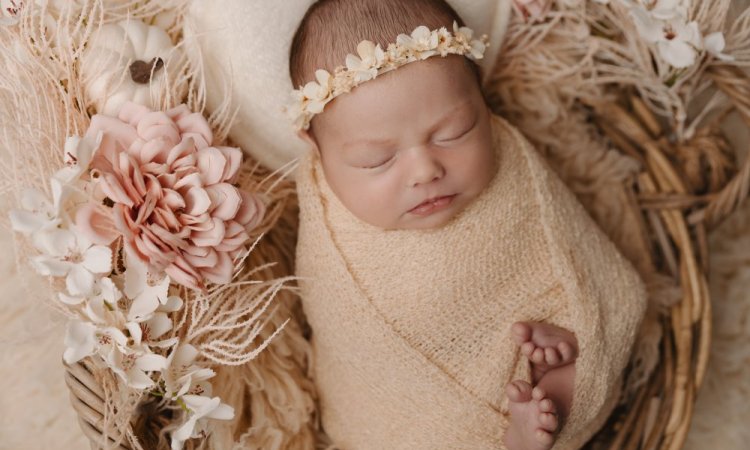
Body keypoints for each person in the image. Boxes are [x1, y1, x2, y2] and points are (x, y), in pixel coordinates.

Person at [288, 1, 647, 449]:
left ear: (483, 98)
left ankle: (551, 388)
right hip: (404, 420)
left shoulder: (510, 169)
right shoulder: (330, 230)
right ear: (316, 146)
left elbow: (597, 277)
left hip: (533, 367)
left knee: (590, 340)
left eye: (454, 132)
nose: (424, 170)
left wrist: (574, 329)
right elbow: (354, 350)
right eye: (376, 160)